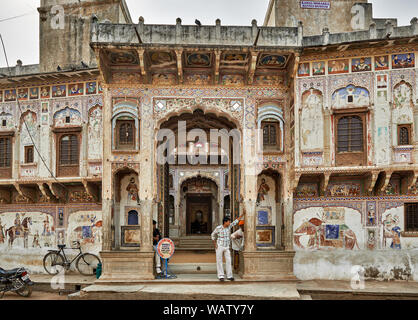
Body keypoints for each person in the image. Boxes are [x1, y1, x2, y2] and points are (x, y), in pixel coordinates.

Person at [211, 213, 244, 281]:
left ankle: (229, 276)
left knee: (228, 261)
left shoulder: (229, 227)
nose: (230, 223)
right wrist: (215, 244)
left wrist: (242, 214)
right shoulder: (218, 228)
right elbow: (212, 235)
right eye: (229, 221)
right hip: (219, 246)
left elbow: (236, 221)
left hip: (226, 246)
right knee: (219, 261)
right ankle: (221, 276)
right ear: (225, 222)